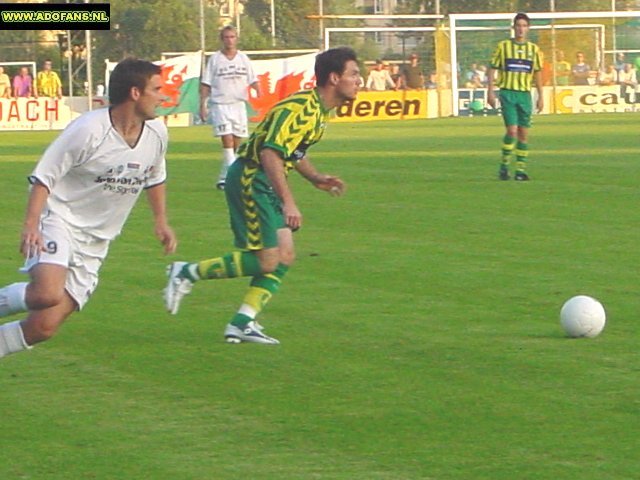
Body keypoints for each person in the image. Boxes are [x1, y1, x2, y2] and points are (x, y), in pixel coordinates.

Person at [164, 47, 360, 345]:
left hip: (263, 180)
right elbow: (270, 152)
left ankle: (242, 322)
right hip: (251, 177)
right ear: (334, 78)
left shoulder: (318, 112)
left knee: (285, 255)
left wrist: (315, 177)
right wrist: (288, 201)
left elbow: (293, 151)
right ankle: (186, 272)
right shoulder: (300, 108)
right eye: (354, 74)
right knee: (268, 260)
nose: (360, 80)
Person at [0, 58, 177, 360]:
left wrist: (161, 221)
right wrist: (31, 225)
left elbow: (155, 175)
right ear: (135, 93)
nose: (164, 96)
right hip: (60, 218)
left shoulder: (157, 133)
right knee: (46, 293)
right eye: (157, 89)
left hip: (97, 241)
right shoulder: (88, 129)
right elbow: (44, 176)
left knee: (43, 327)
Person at [200, 25, 261, 190]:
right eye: (226, 37)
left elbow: (252, 79)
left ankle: (224, 177)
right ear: (222, 39)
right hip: (220, 105)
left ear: (237, 39)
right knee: (226, 139)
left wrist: (258, 90)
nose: (230, 40)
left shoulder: (243, 58)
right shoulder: (215, 59)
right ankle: (236, 178)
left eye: (232, 37)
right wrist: (203, 105)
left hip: (239, 105)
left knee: (236, 144)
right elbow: (206, 83)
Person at [487, 12, 543, 181]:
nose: (521, 29)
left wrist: (541, 96)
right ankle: (504, 166)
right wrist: (490, 90)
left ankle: (520, 171)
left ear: (528, 29)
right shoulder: (503, 46)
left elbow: (537, 73)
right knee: (512, 131)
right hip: (508, 93)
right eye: (518, 25)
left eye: (524, 26)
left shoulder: (534, 50)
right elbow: (492, 67)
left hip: (525, 95)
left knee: (524, 134)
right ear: (513, 28)